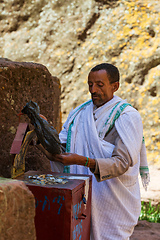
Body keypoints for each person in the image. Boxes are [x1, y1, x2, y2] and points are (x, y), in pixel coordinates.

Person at [38, 63, 150, 240]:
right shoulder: (79, 113)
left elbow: (121, 163)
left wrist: (82, 161)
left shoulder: (127, 116)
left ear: (115, 86)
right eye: (90, 84)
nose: (93, 89)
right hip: (83, 201)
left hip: (113, 204)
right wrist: (43, 129)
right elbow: (61, 151)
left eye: (99, 84)